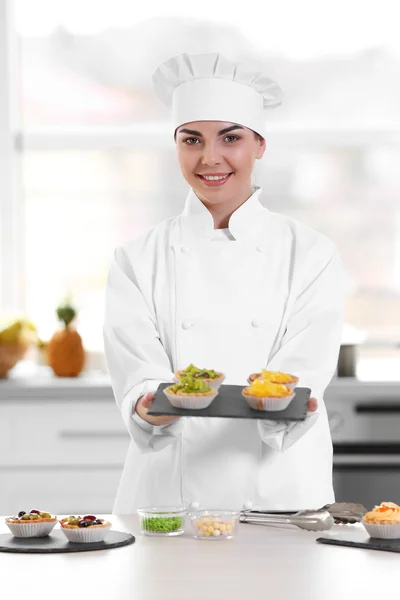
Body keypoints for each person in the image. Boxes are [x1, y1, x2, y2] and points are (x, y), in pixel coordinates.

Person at [103, 52, 346, 514]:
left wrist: (286, 403)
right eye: (191, 140)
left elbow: (302, 377)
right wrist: (153, 402)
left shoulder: (311, 254)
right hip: (169, 500)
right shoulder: (135, 259)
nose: (209, 158)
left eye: (230, 138)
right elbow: (138, 382)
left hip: (280, 497)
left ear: (259, 145)